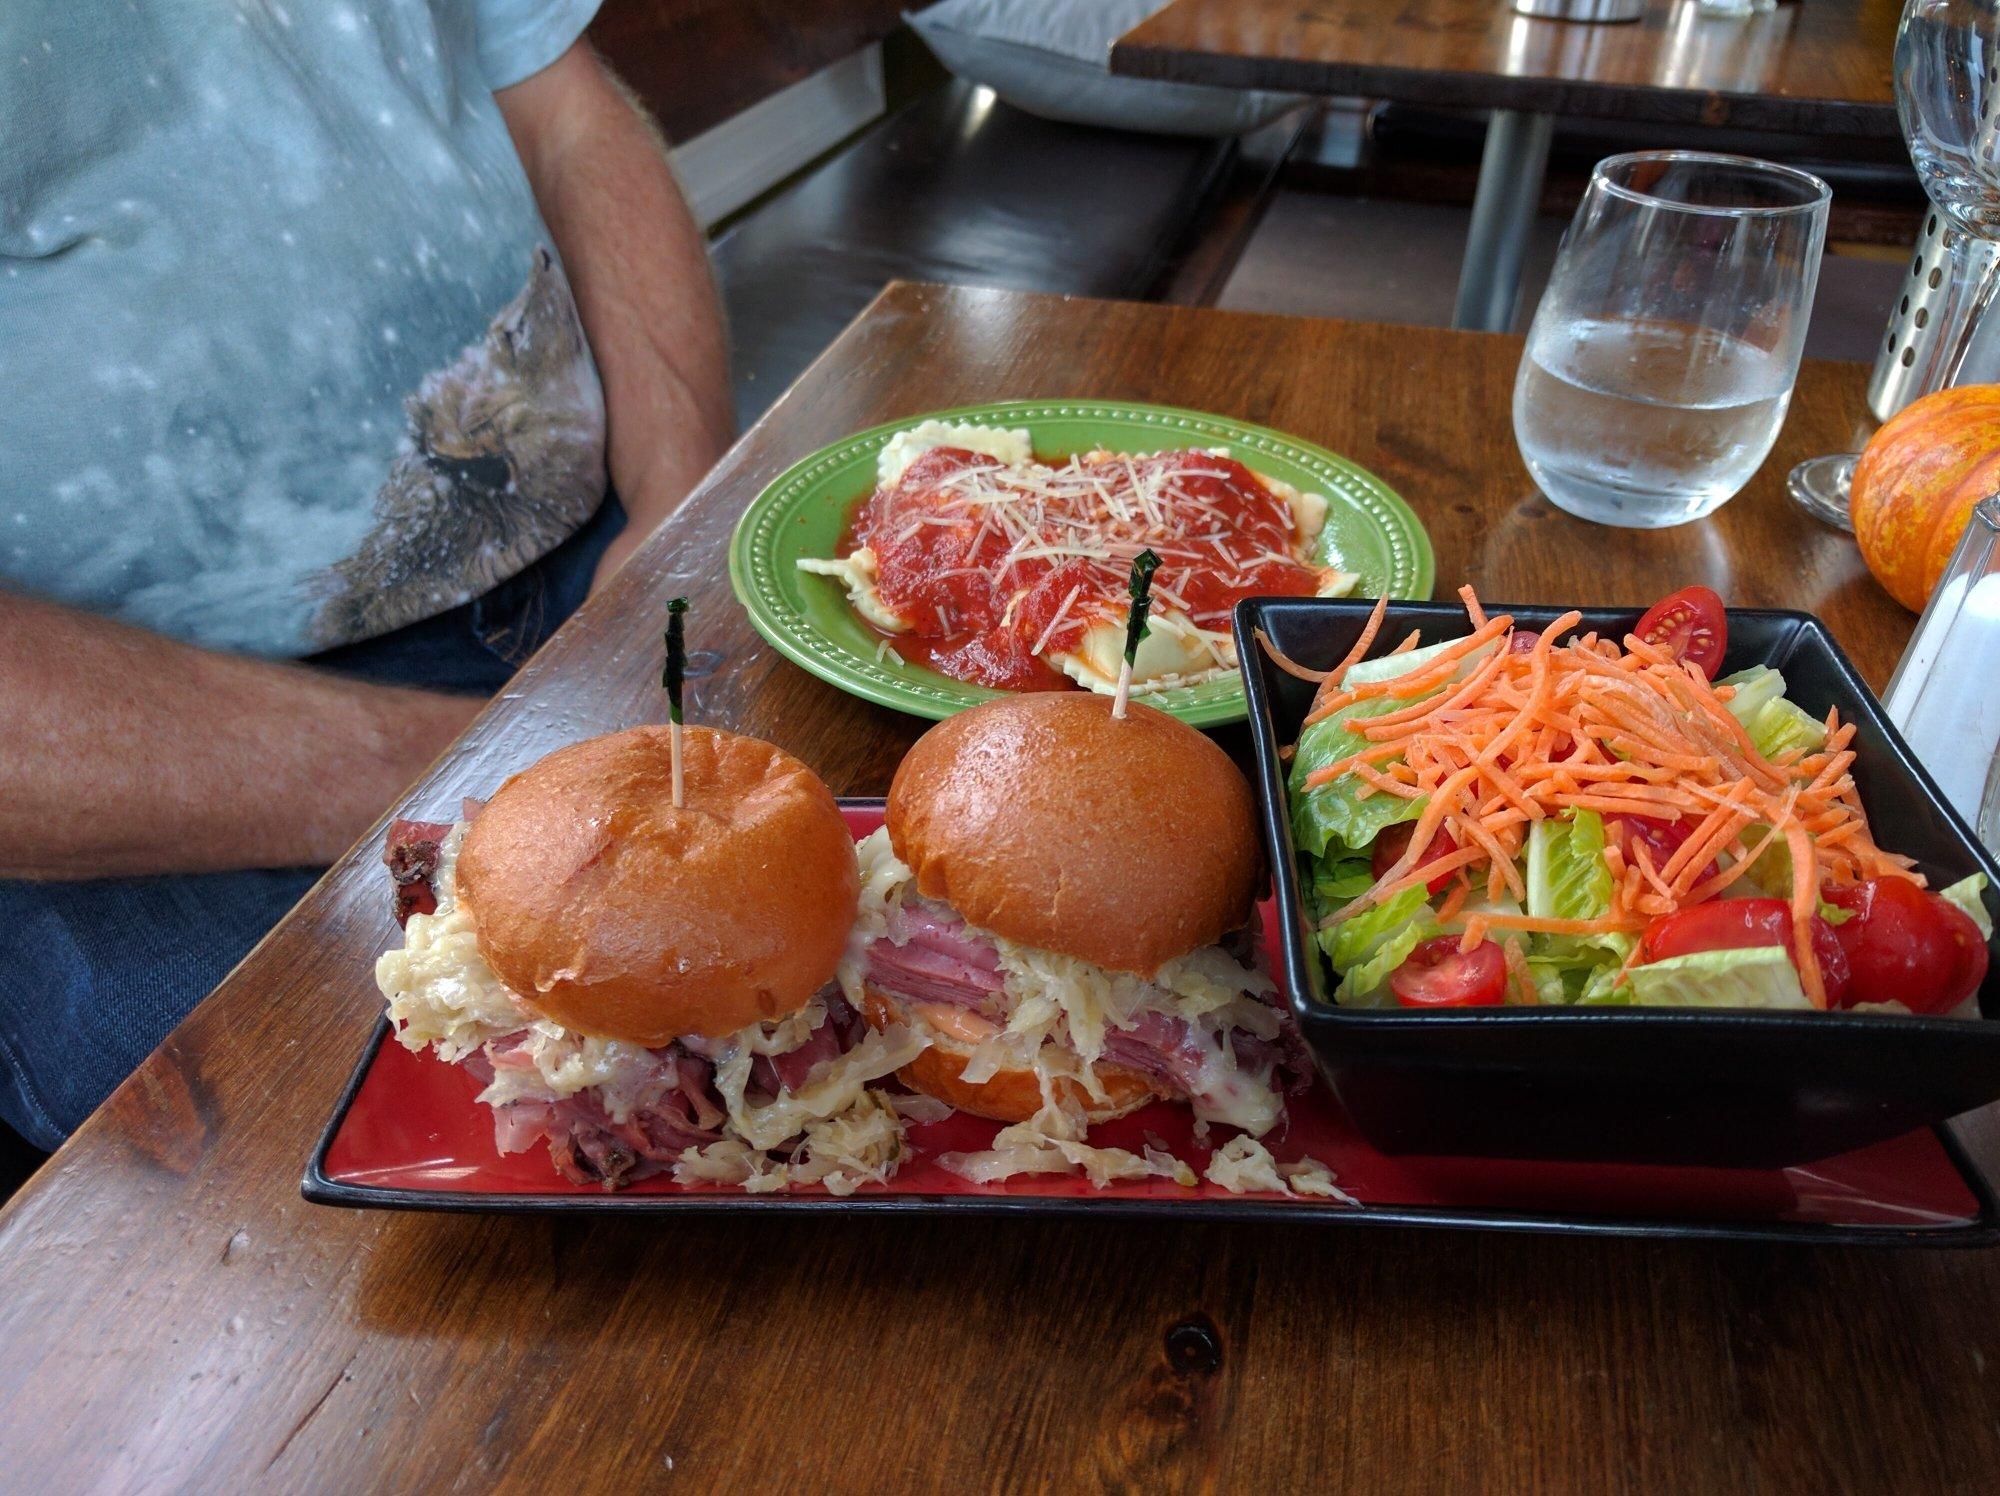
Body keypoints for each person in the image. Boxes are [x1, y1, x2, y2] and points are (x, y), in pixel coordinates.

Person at [0, 2, 733, 1150]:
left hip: (598, 576)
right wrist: (509, 780)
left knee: (868, 975)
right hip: (162, 786)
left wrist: (676, 517)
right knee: (502, 1152)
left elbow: (565, 113)